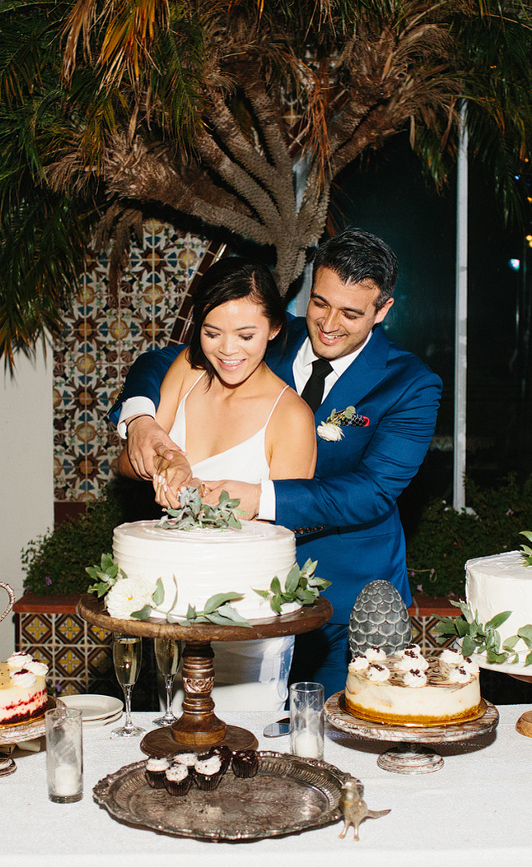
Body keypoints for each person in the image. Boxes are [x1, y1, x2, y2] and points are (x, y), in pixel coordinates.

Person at [112, 229, 442, 698]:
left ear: (382, 310)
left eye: (350, 313)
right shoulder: (267, 334)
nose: (328, 324)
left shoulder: (411, 383)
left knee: (335, 737)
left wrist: (258, 497)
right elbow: (163, 361)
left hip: (349, 595)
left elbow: (373, 491)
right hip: (246, 590)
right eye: (320, 303)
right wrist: (142, 419)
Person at [116, 256, 316, 711]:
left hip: (248, 618)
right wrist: (164, 461)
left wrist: (201, 493)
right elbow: (124, 465)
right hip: (170, 602)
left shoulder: (290, 416)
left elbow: (288, 533)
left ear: (274, 330)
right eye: (212, 333)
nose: (227, 350)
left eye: (246, 335)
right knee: (169, 735)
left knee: (243, 748)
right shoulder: (186, 374)